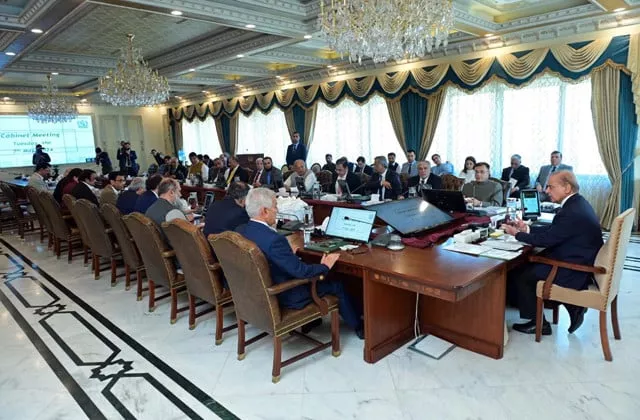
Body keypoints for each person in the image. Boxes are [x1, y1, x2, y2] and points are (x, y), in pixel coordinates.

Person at [237, 187, 363, 338]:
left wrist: (287, 255)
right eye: (275, 206)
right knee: (337, 283)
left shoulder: (242, 231)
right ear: (264, 211)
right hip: (286, 295)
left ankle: (313, 322)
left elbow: (268, 258)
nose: (277, 210)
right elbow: (302, 272)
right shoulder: (274, 240)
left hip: (257, 293)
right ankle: (359, 326)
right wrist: (325, 266)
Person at [504, 171, 603, 335]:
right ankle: (573, 307)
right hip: (579, 259)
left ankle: (539, 324)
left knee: (520, 273)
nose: (546, 190)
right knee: (526, 263)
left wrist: (517, 234)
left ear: (567, 188)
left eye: (551, 187)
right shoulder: (577, 203)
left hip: (573, 269)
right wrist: (526, 228)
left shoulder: (571, 211)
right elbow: (555, 230)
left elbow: (546, 240)